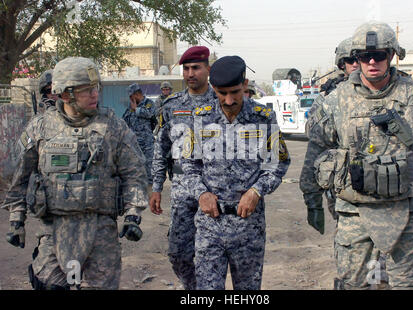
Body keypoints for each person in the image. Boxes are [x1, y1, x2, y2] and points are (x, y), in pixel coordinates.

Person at [300, 21, 413, 290]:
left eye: (379, 55)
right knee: (355, 284)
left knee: (407, 286)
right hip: (355, 213)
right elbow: (316, 151)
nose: (371, 61)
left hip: (408, 210)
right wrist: (312, 199)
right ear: (355, 58)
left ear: (392, 55)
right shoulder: (336, 101)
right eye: (363, 56)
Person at [1, 57, 148, 290]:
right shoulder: (40, 128)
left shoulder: (113, 126)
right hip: (54, 229)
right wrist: (16, 220)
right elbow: (20, 178)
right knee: (49, 284)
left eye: (96, 88)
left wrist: (133, 214)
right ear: (66, 94)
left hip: (100, 229)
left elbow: (135, 173)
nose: (94, 95)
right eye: (86, 90)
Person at [180, 55, 290, 290]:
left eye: (235, 92)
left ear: (245, 85)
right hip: (210, 225)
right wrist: (201, 194)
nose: (229, 100)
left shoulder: (263, 118)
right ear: (213, 89)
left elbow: (277, 165)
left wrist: (256, 191)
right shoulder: (200, 118)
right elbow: (188, 166)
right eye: (222, 93)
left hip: (248, 227)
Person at [149, 46, 216, 290]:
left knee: (212, 254)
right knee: (178, 254)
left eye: (196, 68)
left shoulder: (222, 101)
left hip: (214, 189)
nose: (190, 73)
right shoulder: (171, 106)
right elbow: (161, 149)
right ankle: (193, 288)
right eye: (186, 68)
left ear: (207, 69)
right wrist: (156, 187)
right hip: (181, 191)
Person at [307, 38, 361, 221]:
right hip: (343, 182)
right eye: (349, 60)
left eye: (358, 58)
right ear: (341, 64)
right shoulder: (330, 97)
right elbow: (315, 139)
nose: (355, 64)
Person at [122, 83, 158, 193]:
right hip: (134, 141)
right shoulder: (131, 106)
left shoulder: (148, 103)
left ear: (137, 94)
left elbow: (150, 114)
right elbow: (125, 119)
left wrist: (136, 109)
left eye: (131, 96)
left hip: (146, 141)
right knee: (135, 163)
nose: (130, 99)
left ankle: (151, 188)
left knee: (148, 163)